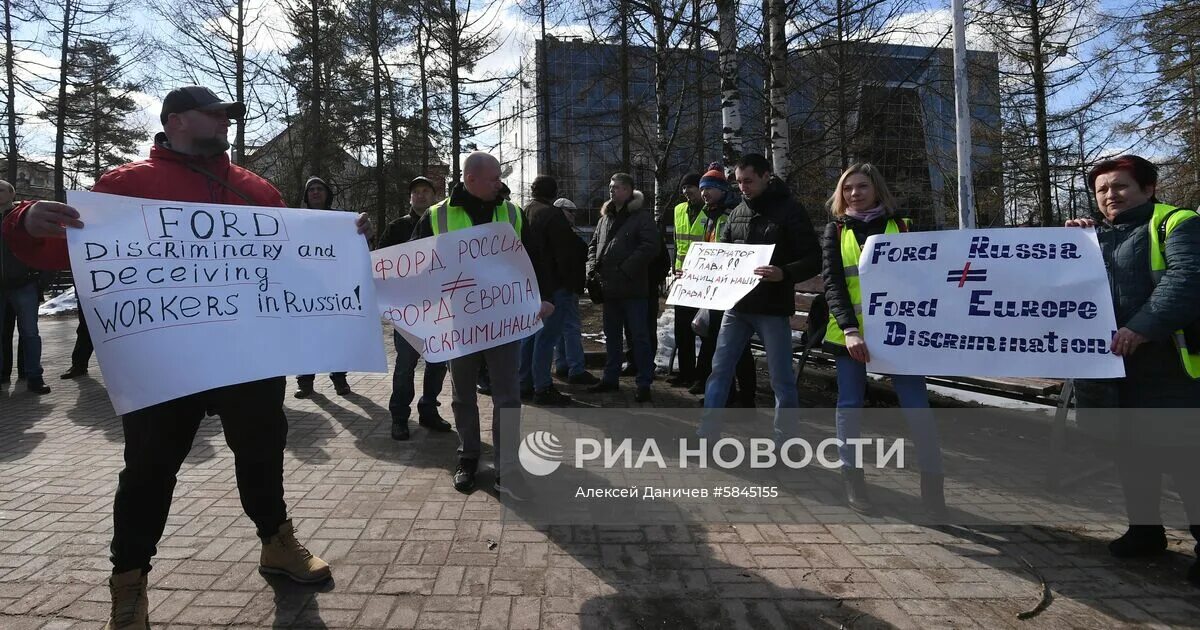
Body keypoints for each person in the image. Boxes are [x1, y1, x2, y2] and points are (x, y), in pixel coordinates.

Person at [1, 86, 374, 629]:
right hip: (162, 361)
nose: (226, 123)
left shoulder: (255, 190)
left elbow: (295, 256)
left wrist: (343, 238)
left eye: (229, 117)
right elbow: (60, 247)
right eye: (214, 114)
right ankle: (129, 583)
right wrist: (23, 218)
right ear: (175, 121)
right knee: (149, 469)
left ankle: (277, 543)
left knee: (263, 451)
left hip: (248, 356)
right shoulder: (124, 187)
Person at [1065, 155, 1200, 586]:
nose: (1110, 196)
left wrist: (1141, 328)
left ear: (1148, 187)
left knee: (1186, 462)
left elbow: (1189, 279)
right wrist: (1069, 246)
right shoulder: (1097, 236)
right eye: (1102, 189)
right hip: (1112, 371)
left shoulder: (1178, 224)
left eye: (1120, 186)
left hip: (1169, 370)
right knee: (1131, 453)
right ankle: (1145, 531)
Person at [409, 152, 554, 499]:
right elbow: (410, 261)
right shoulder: (437, 215)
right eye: (493, 179)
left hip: (504, 322)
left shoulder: (513, 212)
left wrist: (544, 296)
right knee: (462, 396)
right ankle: (468, 457)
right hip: (459, 323)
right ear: (470, 179)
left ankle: (508, 467)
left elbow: (536, 258)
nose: (499, 184)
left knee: (508, 396)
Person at [820, 163, 944, 517]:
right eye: (848, 188)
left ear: (877, 190)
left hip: (900, 337)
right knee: (849, 407)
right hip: (850, 336)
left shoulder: (902, 227)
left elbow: (928, 278)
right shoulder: (835, 230)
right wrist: (849, 330)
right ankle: (854, 482)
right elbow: (834, 285)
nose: (854, 194)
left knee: (918, 410)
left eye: (861, 187)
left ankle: (933, 491)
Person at [699, 153, 820, 441]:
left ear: (767, 176)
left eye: (748, 181)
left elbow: (814, 257)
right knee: (720, 369)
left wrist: (784, 273)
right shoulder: (737, 213)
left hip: (772, 307)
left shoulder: (790, 210)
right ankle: (707, 432)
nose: (743, 187)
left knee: (781, 379)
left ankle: (784, 439)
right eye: (739, 182)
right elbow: (722, 256)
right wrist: (698, 274)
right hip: (737, 306)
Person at [377, 176, 452, 440]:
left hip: (439, 308)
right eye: (415, 192)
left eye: (425, 191)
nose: (420, 196)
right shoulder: (397, 228)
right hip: (408, 310)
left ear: (434, 196)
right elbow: (380, 264)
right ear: (410, 197)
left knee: (437, 363)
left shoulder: (444, 226)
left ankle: (429, 410)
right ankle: (399, 416)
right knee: (406, 364)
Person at [585, 173, 660, 402]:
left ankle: (644, 382)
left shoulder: (641, 217)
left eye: (617, 187)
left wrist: (626, 269)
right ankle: (610, 377)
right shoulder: (605, 218)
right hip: (609, 289)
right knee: (612, 336)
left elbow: (651, 246)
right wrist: (590, 269)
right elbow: (593, 245)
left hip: (633, 289)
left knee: (639, 336)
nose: (612, 191)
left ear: (628, 190)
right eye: (610, 186)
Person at [692, 164, 757, 406]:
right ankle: (725, 394)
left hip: (731, 289)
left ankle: (745, 396)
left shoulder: (731, 214)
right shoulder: (709, 215)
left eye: (710, 188)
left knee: (736, 347)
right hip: (713, 288)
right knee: (719, 345)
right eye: (702, 189)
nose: (705, 193)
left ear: (722, 190)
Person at [519, 176, 586, 405]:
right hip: (553, 285)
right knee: (547, 338)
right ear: (554, 193)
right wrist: (571, 284)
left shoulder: (525, 211)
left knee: (529, 337)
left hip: (531, 284)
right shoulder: (552, 215)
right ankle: (542, 386)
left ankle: (524, 382)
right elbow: (565, 254)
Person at [293, 176, 353, 398]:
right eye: (311, 190)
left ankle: (339, 378)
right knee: (307, 337)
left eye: (320, 188)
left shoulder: (341, 219)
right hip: (306, 289)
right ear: (306, 196)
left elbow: (352, 247)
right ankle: (305, 382)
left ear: (327, 193)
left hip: (334, 289)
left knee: (336, 336)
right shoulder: (297, 220)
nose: (316, 192)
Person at [0, 178, 48, 394]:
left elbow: (46, 247)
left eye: (1, 190)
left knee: (29, 333)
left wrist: (41, 280)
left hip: (24, 284)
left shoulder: (25, 218)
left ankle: (34, 376)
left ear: (12, 193)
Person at [552, 198, 598, 385]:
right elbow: (576, 252)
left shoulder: (552, 230)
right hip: (565, 286)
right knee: (570, 328)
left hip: (559, 286)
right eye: (570, 211)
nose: (573, 216)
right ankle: (576, 368)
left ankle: (563, 363)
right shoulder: (561, 233)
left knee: (561, 328)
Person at [668, 172, 705, 387]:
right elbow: (676, 242)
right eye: (684, 188)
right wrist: (675, 269)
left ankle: (701, 375)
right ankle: (686, 372)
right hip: (683, 279)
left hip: (705, 280)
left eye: (690, 187)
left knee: (704, 330)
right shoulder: (679, 210)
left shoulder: (710, 212)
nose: (686, 191)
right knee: (681, 329)